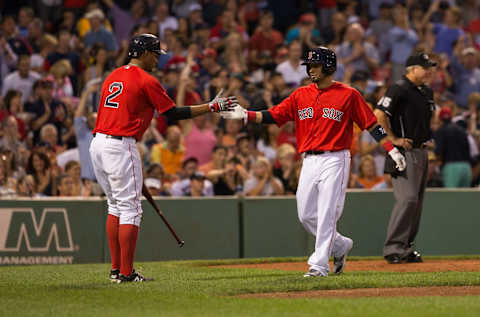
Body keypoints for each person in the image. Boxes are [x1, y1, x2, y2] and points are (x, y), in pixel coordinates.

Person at [221, 47, 406, 277]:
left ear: (329, 66)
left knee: (327, 211)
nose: (311, 69)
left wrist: (392, 150)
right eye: (309, 66)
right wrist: (245, 114)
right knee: (306, 215)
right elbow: (274, 115)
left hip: (335, 158)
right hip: (308, 160)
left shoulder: (349, 94)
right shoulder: (300, 95)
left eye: (315, 65)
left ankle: (318, 266)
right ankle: (339, 245)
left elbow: (371, 125)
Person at [89, 33, 237, 283]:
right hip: (120, 145)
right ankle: (126, 273)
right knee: (130, 210)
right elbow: (173, 113)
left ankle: (116, 270)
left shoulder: (113, 75)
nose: (158, 59)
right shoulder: (146, 79)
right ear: (143, 52)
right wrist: (212, 106)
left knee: (115, 206)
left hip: (99, 144)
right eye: (155, 53)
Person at [374, 52, 437, 264]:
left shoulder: (426, 91)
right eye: (425, 66)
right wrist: (391, 140)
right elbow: (378, 115)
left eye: (430, 67)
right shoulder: (398, 88)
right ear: (411, 69)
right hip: (403, 152)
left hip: (421, 150)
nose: (429, 70)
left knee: (416, 203)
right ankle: (393, 248)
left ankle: (406, 248)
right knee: (408, 199)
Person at [434, 107, 472, 188]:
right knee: (466, 198)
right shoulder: (462, 130)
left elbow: (438, 152)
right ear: (451, 117)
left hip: (451, 167)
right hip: (466, 167)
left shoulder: (441, 131)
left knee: (451, 198)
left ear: (440, 119)